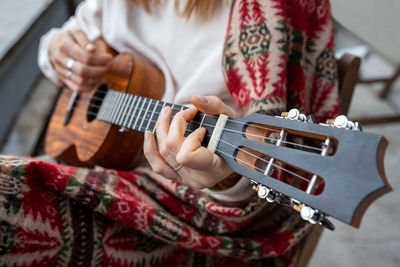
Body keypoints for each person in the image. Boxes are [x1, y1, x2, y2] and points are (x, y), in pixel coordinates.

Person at [0, 0, 339, 266]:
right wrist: (58, 48)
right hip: (98, 166)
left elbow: (272, 169)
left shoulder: (272, 10)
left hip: (190, 215)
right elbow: (62, 40)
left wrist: (222, 177)